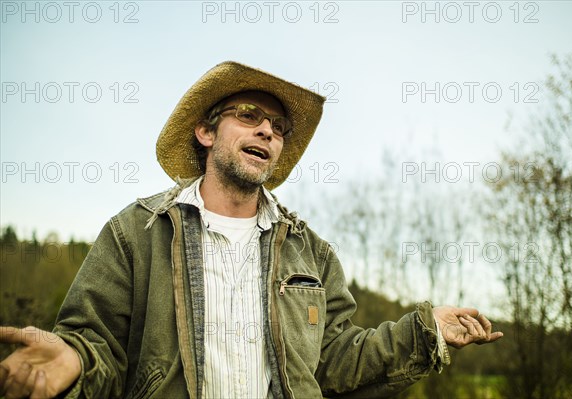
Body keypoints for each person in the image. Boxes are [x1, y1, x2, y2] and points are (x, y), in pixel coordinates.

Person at [0, 61, 502, 398]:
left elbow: (333, 361)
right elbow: (98, 347)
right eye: (249, 115)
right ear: (206, 131)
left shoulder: (313, 254)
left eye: (278, 127)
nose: (268, 130)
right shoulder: (135, 233)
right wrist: (74, 363)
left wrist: (425, 331)